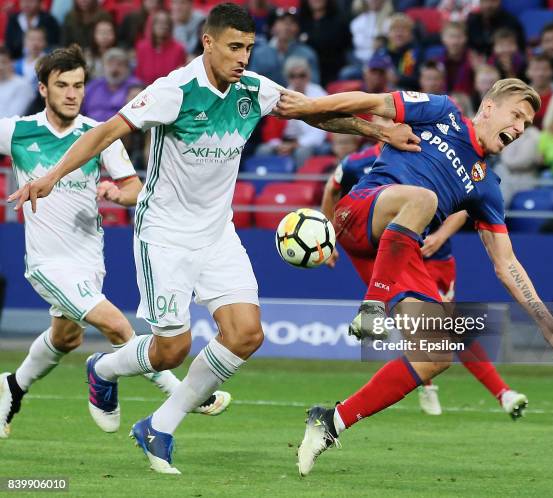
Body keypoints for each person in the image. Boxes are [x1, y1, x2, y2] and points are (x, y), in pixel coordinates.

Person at [8, 3, 420, 474]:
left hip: (217, 232)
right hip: (165, 234)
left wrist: (378, 129)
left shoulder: (252, 88)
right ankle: (101, 369)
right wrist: (53, 176)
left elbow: (313, 114)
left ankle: (159, 427)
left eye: (248, 47)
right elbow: (105, 133)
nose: (243, 57)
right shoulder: (174, 91)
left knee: (246, 335)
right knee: (172, 349)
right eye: (234, 47)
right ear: (208, 42)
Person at [274, 79, 553, 476]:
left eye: (528, 123)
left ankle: (330, 421)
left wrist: (544, 319)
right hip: (361, 213)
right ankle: (372, 305)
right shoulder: (441, 111)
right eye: (517, 115)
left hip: (398, 251)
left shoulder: (487, 187)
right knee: (424, 198)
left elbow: (507, 263)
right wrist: (311, 105)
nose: (522, 128)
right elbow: (370, 102)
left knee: (436, 354)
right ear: (489, 107)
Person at [0, 45, 230, 440]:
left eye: (78, 85)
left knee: (65, 337)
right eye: (62, 85)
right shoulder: (18, 131)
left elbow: (135, 189)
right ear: (43, 89)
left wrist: (114, 192)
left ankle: (12, 386)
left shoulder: (98, 135)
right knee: (116, 325)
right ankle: (185, 394)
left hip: (90, 259)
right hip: (48, 264)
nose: (72, 93)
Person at [321, 133, 528, 418]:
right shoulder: (358, 163)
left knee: (447, 329)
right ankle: (469, 389)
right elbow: (332, 189)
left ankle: (495, 392)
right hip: (395, 256)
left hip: (436, 257)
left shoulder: (432, 155)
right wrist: (327, 235)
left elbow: (466, 206)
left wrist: (441, 235)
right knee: (429, 331)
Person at [82, 48, 141, 123]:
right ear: (103, 67)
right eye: (110, 64)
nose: (114, 69)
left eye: (119, 65)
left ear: (127, 68)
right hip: (89, 129)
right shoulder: (93, 86)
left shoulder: (134, 86)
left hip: (119, 131)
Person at [134, 9, 187, 86]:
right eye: (159, 23)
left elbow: (179, 77)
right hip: (144, 89)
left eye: (166, 23)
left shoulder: (179, 49)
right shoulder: (141, 47)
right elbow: (138, 74)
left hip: (169, 90)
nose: (163, 26)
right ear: (151, 26)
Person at [438, 20, 474, 95]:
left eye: (459, 37)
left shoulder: (473, 61)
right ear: (443, 38)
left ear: (465, 38)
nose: (455, 42)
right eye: (451, 37)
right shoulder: (436, 62)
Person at [0, 47, 35, 119]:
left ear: (12, 63)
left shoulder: (23, 85)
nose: (1, 67)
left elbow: (12, 118)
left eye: (4, 62)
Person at [526, 54, 553, 129]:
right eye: (536, 69)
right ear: (528, 72)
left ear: (552, 72)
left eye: (545, 69)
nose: (540, 73)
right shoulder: (519, 97)